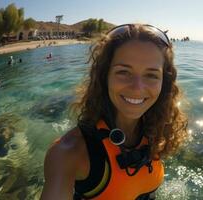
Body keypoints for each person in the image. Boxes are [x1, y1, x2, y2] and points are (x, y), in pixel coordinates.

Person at [40, 24, 188, 200]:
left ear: (164, 81)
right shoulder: (68, 153)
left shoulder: (155, 128)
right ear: (105, 76)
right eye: (124, 72)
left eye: (151, 75)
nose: (137, 88)